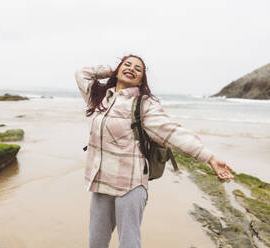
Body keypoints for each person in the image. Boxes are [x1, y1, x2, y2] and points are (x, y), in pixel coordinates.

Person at [75, 55, 234, 248]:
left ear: (141, 80)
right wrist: (109, 71)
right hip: (101, 182)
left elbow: (173, 133)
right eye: (127, 65)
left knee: (129, 243)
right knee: (96, 243)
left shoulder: (144, 105)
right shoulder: (99, 98)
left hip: (130, 185)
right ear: (118, 70)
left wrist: (210, 158)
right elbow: (81, 73)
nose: (131, 69)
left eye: (138, 69)